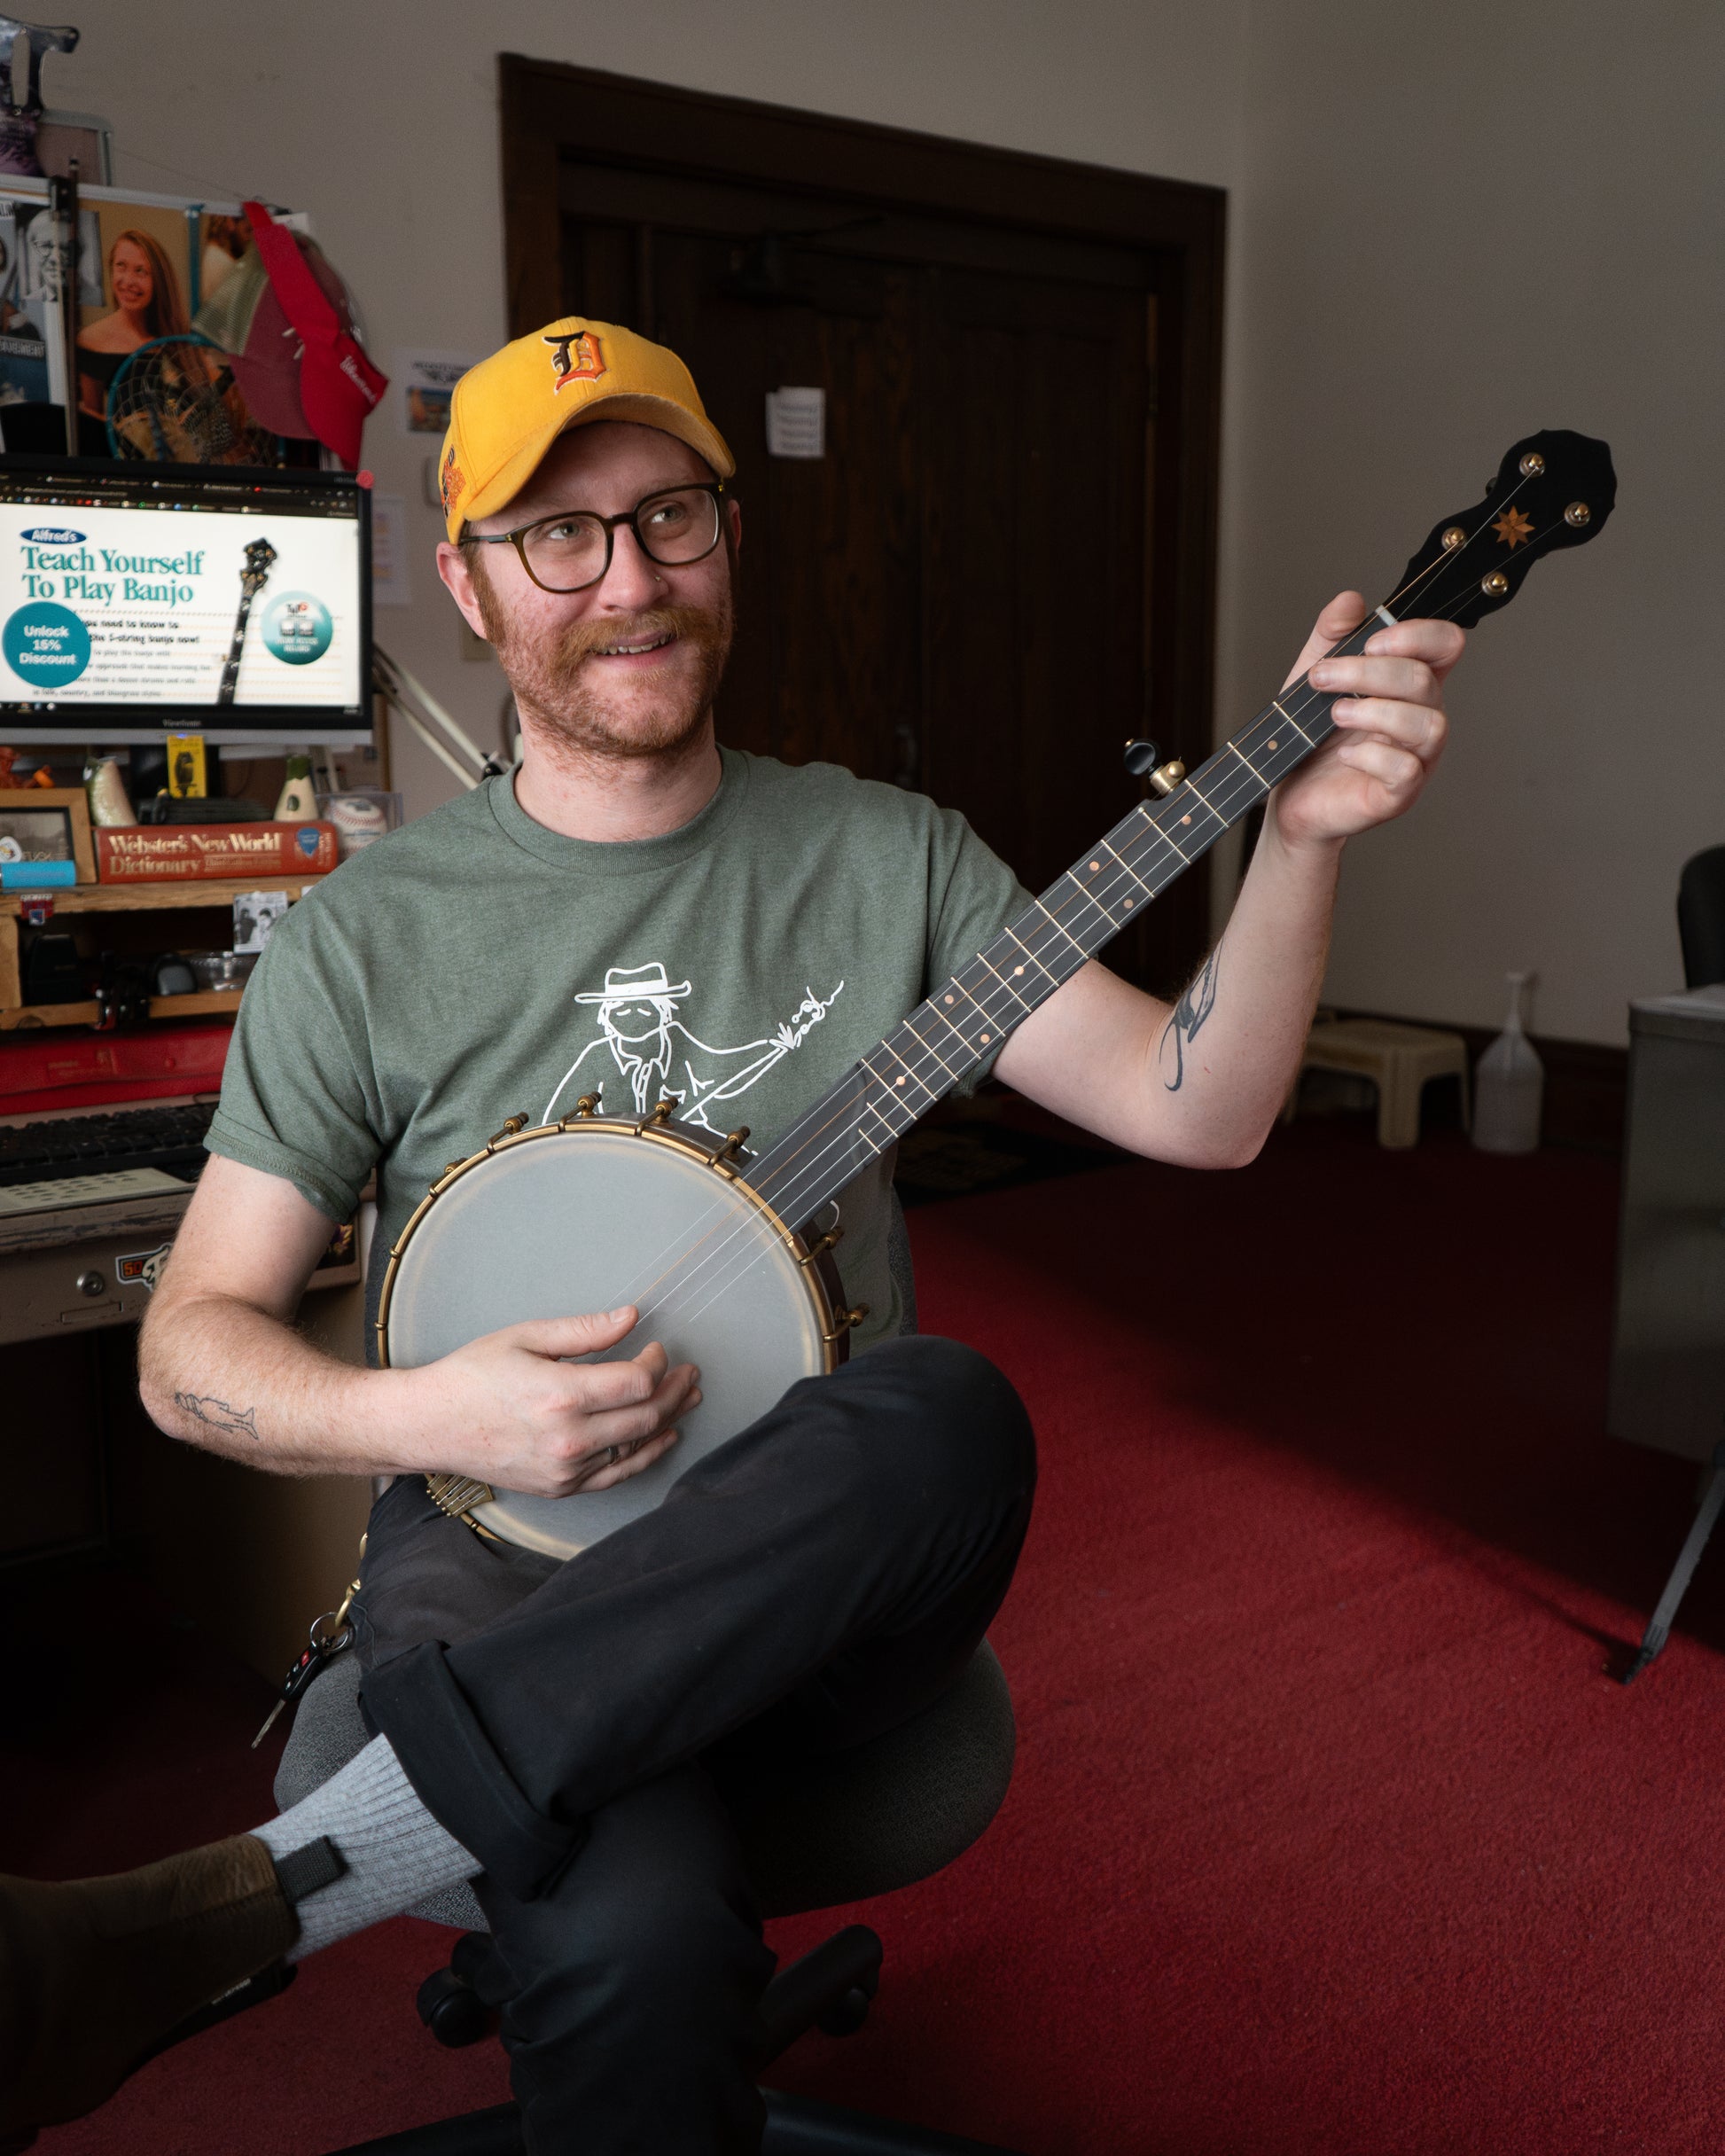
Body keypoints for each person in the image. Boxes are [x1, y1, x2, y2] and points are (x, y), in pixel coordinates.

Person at [0, 316, 1463, 2152]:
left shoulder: (886, 856)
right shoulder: (370, 935)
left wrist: (1305, 839)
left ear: (728, 533)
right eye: (558, 533)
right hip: (500, 1548)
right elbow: (189, 1347)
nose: (628, 578)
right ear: (465, 582)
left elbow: (1204, 1106)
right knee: (627, 1920)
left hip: (817, 1550)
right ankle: (369, 1861)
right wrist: (436, 1417)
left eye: (669, 515)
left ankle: (267, 1884)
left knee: (949, 1412)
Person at [75, 227, 191, 418]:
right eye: (121, 266)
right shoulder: (90, 340)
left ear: (159, 280)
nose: (128, 281)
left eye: (141, 271)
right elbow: (92, 416)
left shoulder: (180, 337)